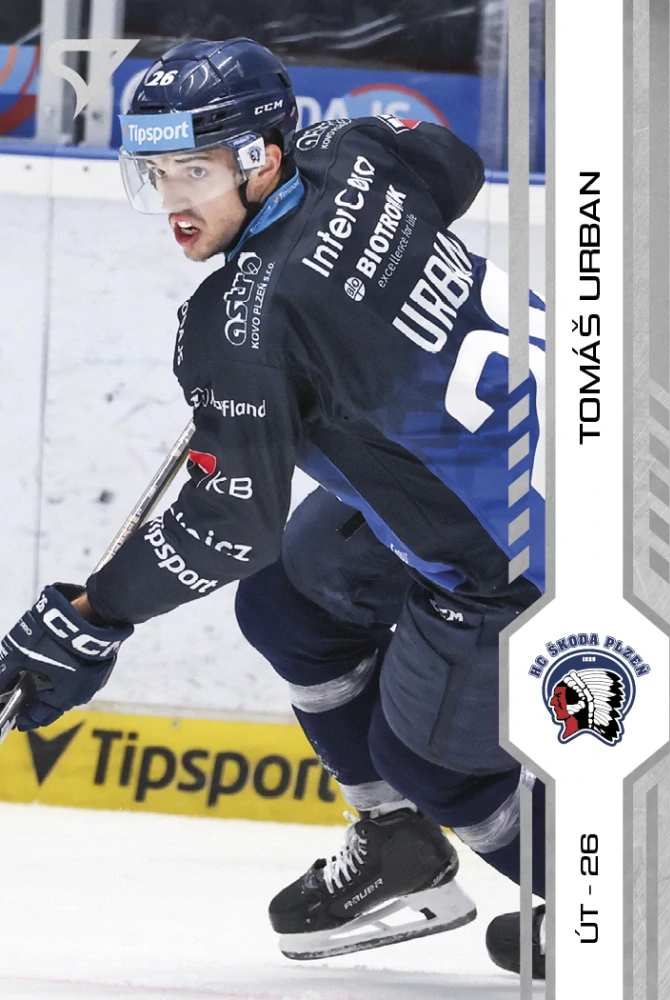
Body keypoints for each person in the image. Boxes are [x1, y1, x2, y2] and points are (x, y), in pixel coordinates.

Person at [0, 38, 546, 976]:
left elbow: (230, 524)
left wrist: (96, 615)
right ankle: (397, 849)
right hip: (573, 432)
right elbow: (449, 167)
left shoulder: (243, 327)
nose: (174, 201)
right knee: (292, 600)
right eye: (157, 174)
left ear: (261, 158)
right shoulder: (349, 148)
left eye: (196, 171)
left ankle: (622, 899)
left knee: (433, 761)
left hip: (519, 551)